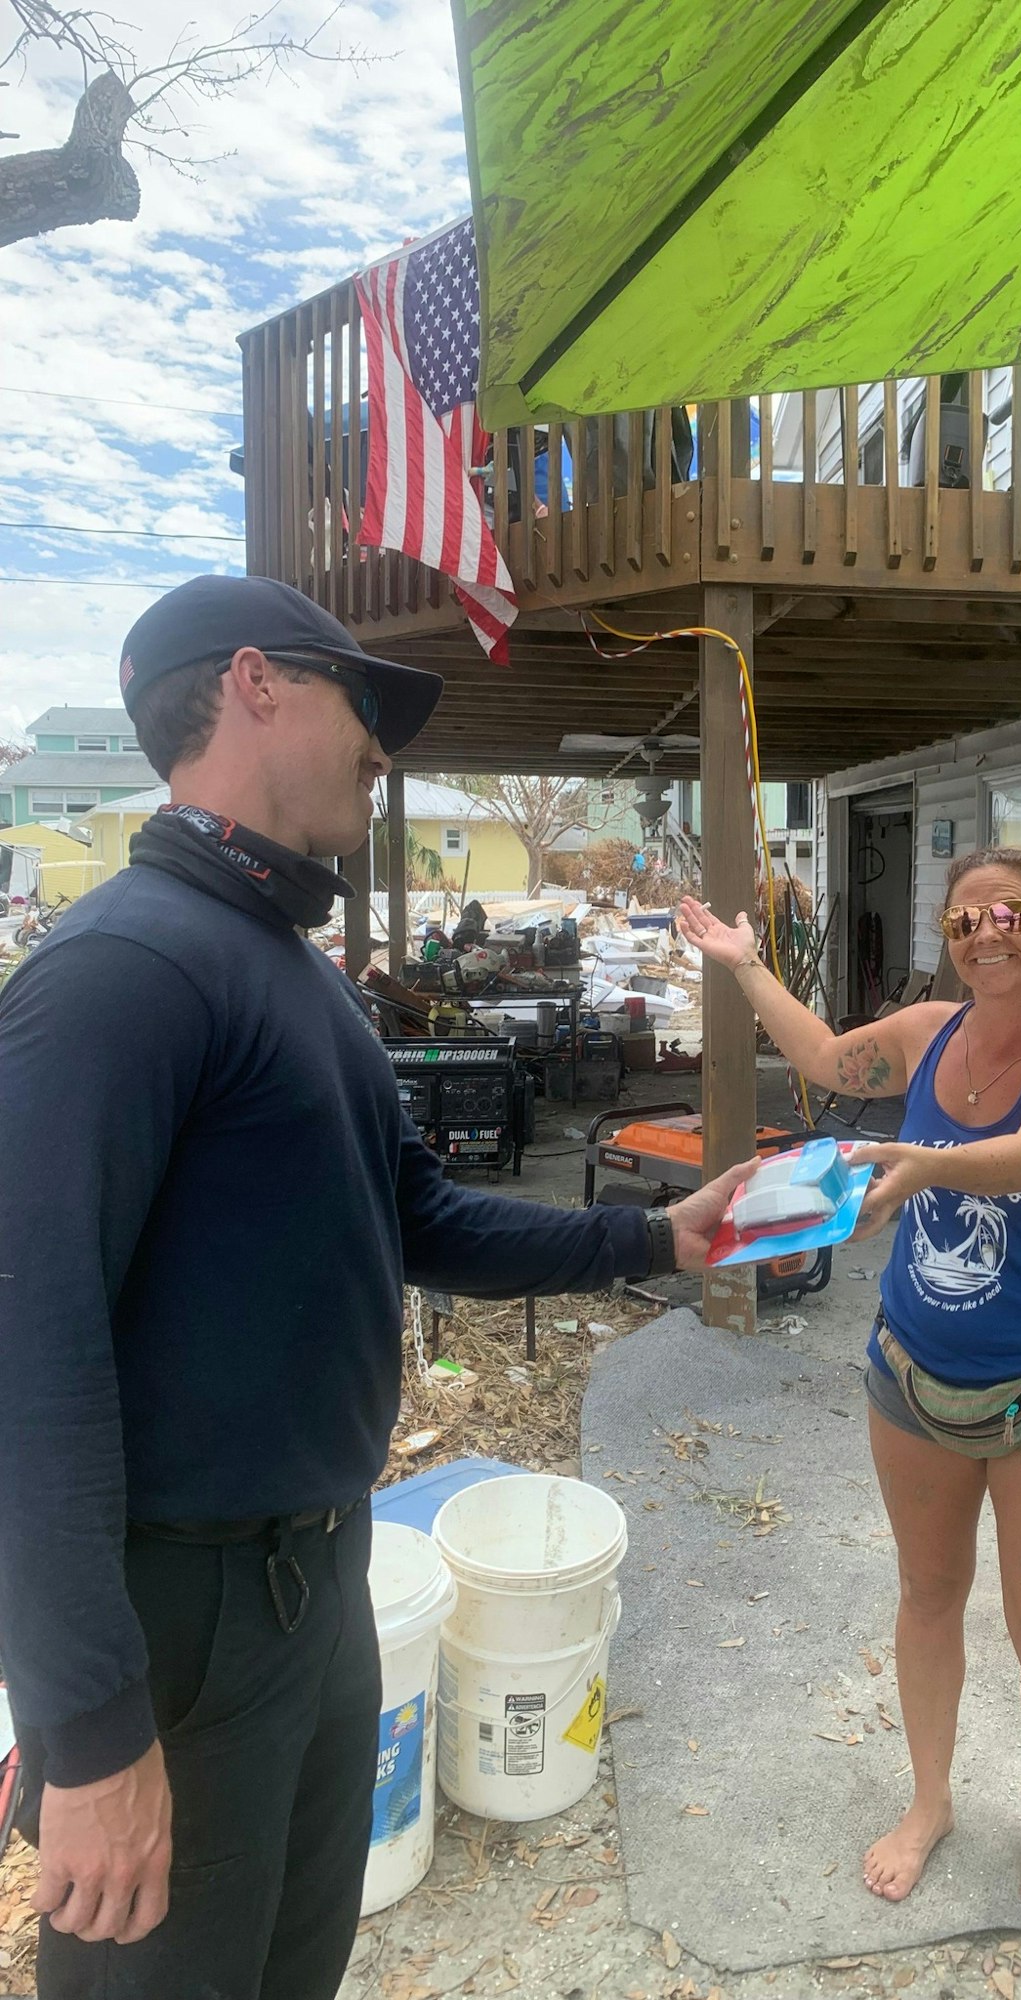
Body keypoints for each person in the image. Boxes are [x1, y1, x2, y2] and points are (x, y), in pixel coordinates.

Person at [0, 575, 751, 2000]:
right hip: (184, 1616)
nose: (383, 747)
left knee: (293, 1963)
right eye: (365, 703)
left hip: (316, 1580)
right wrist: (90, 1728)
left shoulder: (296, 972)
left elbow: (412, 1215)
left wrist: (660, 1242)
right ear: (255, 684)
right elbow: (27, 1359)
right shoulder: (122, 971)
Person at [678, 848, 1021, 1914]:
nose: (987, 932)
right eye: (967, 917)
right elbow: (835, 1061)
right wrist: (745, 966)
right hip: (910, 1374)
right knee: (929, 1596)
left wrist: (922, 1162)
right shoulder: (930, 1030)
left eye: (1011, 913)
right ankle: (929, 1799)